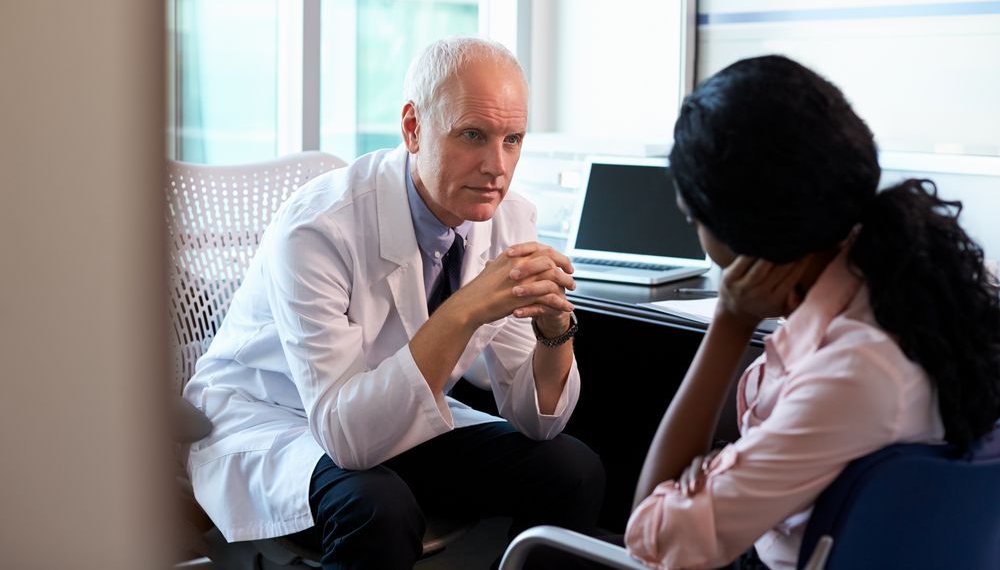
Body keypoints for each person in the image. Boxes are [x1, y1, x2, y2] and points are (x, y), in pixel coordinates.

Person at [526, 55, 1000, 569]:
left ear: (745, 232)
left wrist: (731, 323)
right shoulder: (923, 291)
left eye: (693, 219)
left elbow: (655, 542)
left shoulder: (851, 373)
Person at [183, 36, 604, 569]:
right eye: (473, 135)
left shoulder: (510, 219)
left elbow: (536, 420)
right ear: (413, 128)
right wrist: (466, 307)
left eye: (512, 139)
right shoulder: (319, 225)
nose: (497, 166)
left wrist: (554, 331)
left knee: (573, 470)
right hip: (279, 420)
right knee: (377, 508)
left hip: (395, 415)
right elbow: (345, 438)